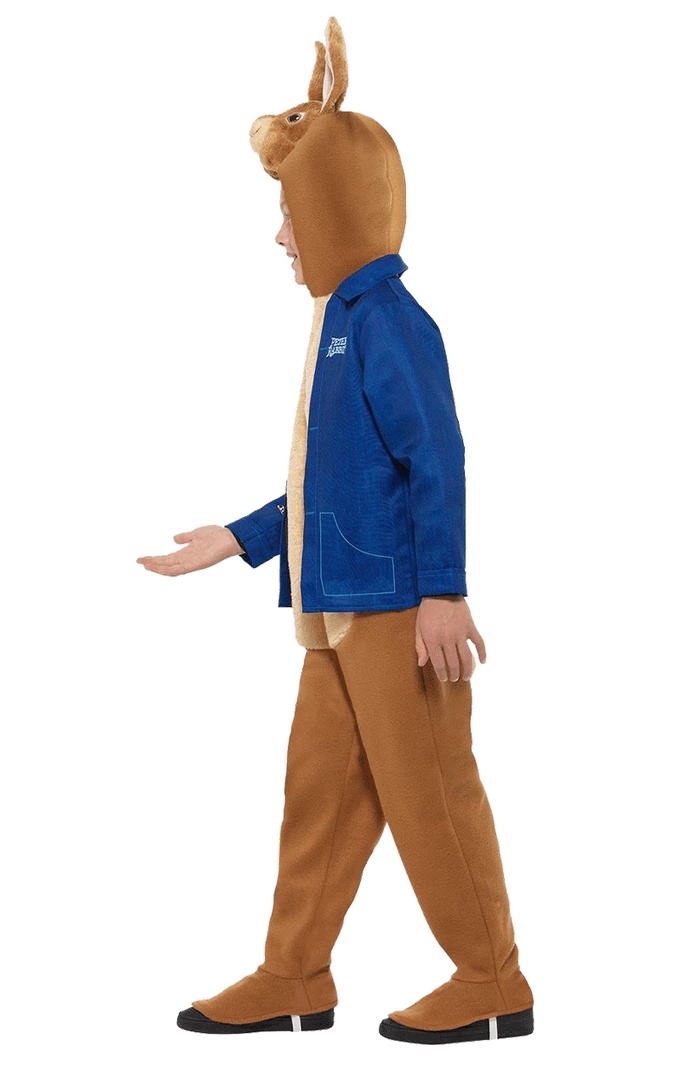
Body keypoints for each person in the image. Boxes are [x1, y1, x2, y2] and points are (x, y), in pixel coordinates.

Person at [142, 17, 534, 1045]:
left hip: (398, 610)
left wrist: (443, 592)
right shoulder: (337, 329)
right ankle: (295, 974)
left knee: (430, 794)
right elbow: (335, 489)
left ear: (335, 210)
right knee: (318, 794)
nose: (281, 236)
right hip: (334, 614)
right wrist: (234, 540)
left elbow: (436, 461)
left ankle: (492, 979)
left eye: (291, 214)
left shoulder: (389, 321)